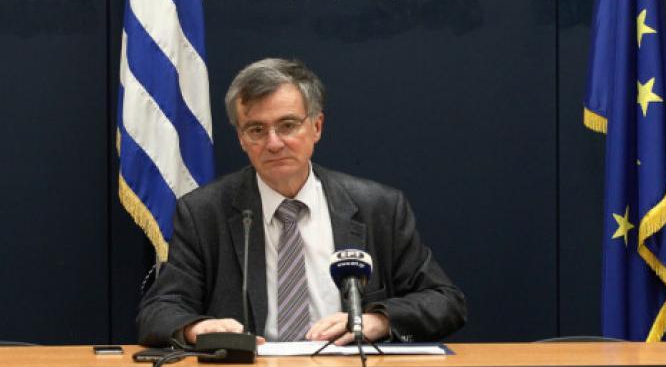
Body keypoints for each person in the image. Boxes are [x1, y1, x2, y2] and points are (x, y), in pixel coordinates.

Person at [137, 58, 466, 347]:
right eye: (256, 129)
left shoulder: (378, 207)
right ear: (241, 139)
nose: (274, 143)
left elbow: (445, 302)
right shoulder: (204, 213)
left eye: (288, 125)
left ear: (316, 127)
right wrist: (197, 329)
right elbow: (158, 311)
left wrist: (377, 321)